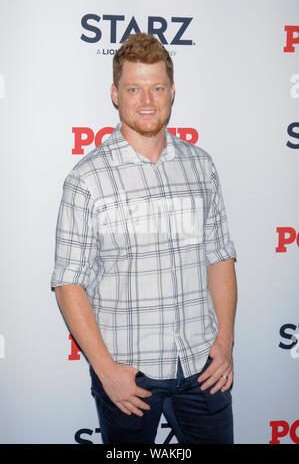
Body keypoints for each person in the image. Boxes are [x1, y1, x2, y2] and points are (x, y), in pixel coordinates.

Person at [51, 32, 237, 444]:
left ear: (172, 92)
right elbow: (68, 282)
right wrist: (106, 371)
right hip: (128, 377)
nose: (147, 100)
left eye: (156, 88)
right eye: (134, 88)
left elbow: (220, 257)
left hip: (203, 367)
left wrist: (224, 342)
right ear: (115, 94)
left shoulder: (200, 167)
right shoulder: (87, 180)